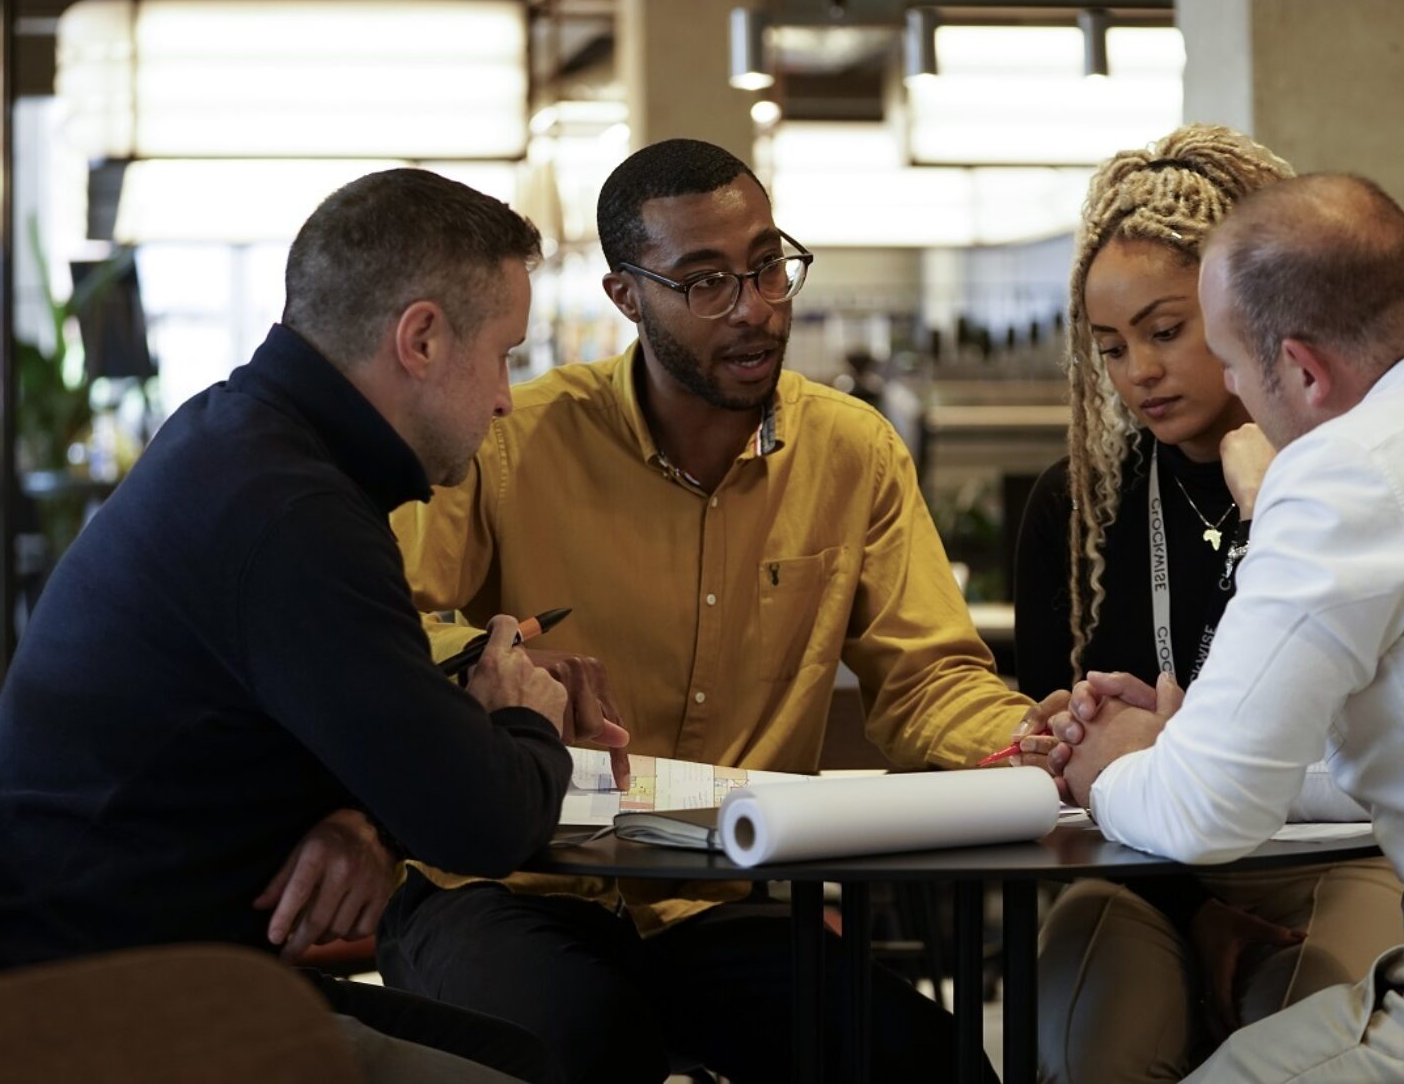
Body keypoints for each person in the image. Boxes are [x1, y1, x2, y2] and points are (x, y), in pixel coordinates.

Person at [0, 169, 627, 1084]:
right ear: (420, 338)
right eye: (505, 353)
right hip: (84, 1012)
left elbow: (364, 712)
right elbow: (482, 821)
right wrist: (523, 718)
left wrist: (373, 806)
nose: (507, 399)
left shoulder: (242, 437)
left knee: (520, 1052)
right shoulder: (292, 513)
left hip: (87, 961)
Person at [382, 138, 1028, 1082]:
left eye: (767, 266)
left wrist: (1030, 742)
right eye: (706, 282)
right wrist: (498, 658)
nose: (756, 309)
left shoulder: (853, 453)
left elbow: (929, 682)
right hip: (504, 883)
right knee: (583, 1042)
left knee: (930, 1061)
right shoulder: (513, 439)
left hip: (713, 903)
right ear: (626, 296)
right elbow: (392, 630)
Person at [1042, 173, 1404, 1081]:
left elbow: (1203, 814)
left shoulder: (1342, 470)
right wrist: (1180, 743)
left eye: (1226, 356)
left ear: (1303, 368)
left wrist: (1111, 763)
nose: (1226, 386)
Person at [1012, 127, 1404, 1082]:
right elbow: (1064, 767)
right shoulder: (1077, 508)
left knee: (1307, 1003)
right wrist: (1058, 740)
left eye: (1165, 330)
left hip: (1329, 853)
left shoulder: (1352, 482)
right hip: (1143, 869)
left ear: (1250, 308)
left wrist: (1279, 509)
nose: (1137, 371)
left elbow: (1385, 732)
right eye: (1109, 347)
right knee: (1086, 1028)